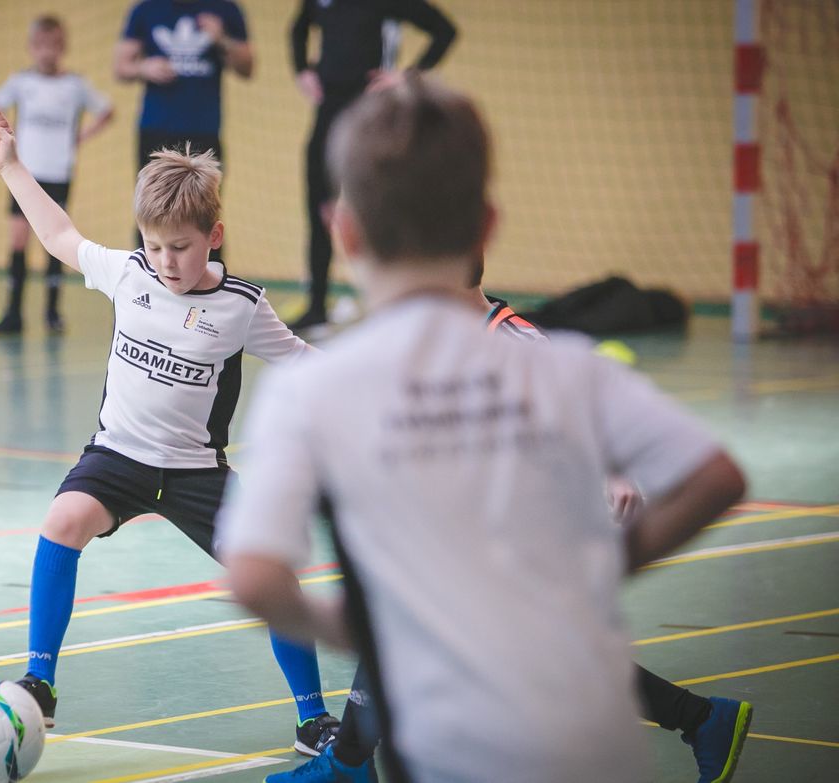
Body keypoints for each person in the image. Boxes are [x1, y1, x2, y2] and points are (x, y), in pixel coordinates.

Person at [218, 74, 748, 783]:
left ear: (342, 230)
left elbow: (254, 577)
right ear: (486, 226)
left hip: (451, 748)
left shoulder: (311, 390)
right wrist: (607, 568)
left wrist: (368, 631)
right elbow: (718, 477)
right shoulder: (572, 366)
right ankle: (346, 763)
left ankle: (344, 764)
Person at [265, 260, 755, 783]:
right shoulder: (433, 343)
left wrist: (612, 474)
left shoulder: (517, 340)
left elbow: (580, 411)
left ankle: (348, 763)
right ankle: (702, 719)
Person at [0, 107, 344, 756]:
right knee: (62, 521)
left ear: (213, 235)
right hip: (118, 456)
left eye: (181, 246)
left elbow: (308, 364)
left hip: (198, 471)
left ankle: (313, 717)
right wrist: (10, 166)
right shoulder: (130, 274)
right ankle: (41, 683)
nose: (166, 261)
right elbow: (59, 235)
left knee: (276, 578)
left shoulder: (242, 307)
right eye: (154, 245)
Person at [288, 0, 456, 333]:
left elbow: (444, 31)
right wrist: (302, 69)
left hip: (372, 116)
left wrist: (406, 76)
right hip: (327, 117)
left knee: (385, 211)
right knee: (319, 209)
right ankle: (318, 306)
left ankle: (400, 306)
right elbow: (298, 27)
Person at [0, 15, 114, 336]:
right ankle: (13, 311)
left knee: (55, 241)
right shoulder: (21, 82)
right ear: (32, 47)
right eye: (40, 45)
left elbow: (107, 110)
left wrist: (81, 136)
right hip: (25, 172)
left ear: (63, 47)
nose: (47, 52)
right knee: (18, 239)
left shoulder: (75, 85)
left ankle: (52, 312)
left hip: (59, 172)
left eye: (54, 46)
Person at [114, 0, 254, 246]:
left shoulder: (225, 9)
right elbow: (121, 67)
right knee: (151, 211)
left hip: (204, 131)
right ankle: (146, 281)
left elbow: (247, 67)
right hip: (156, 130)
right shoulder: (146, 10)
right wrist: (143, 67)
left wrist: (221, 38)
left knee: (205, 214)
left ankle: (208, 281)